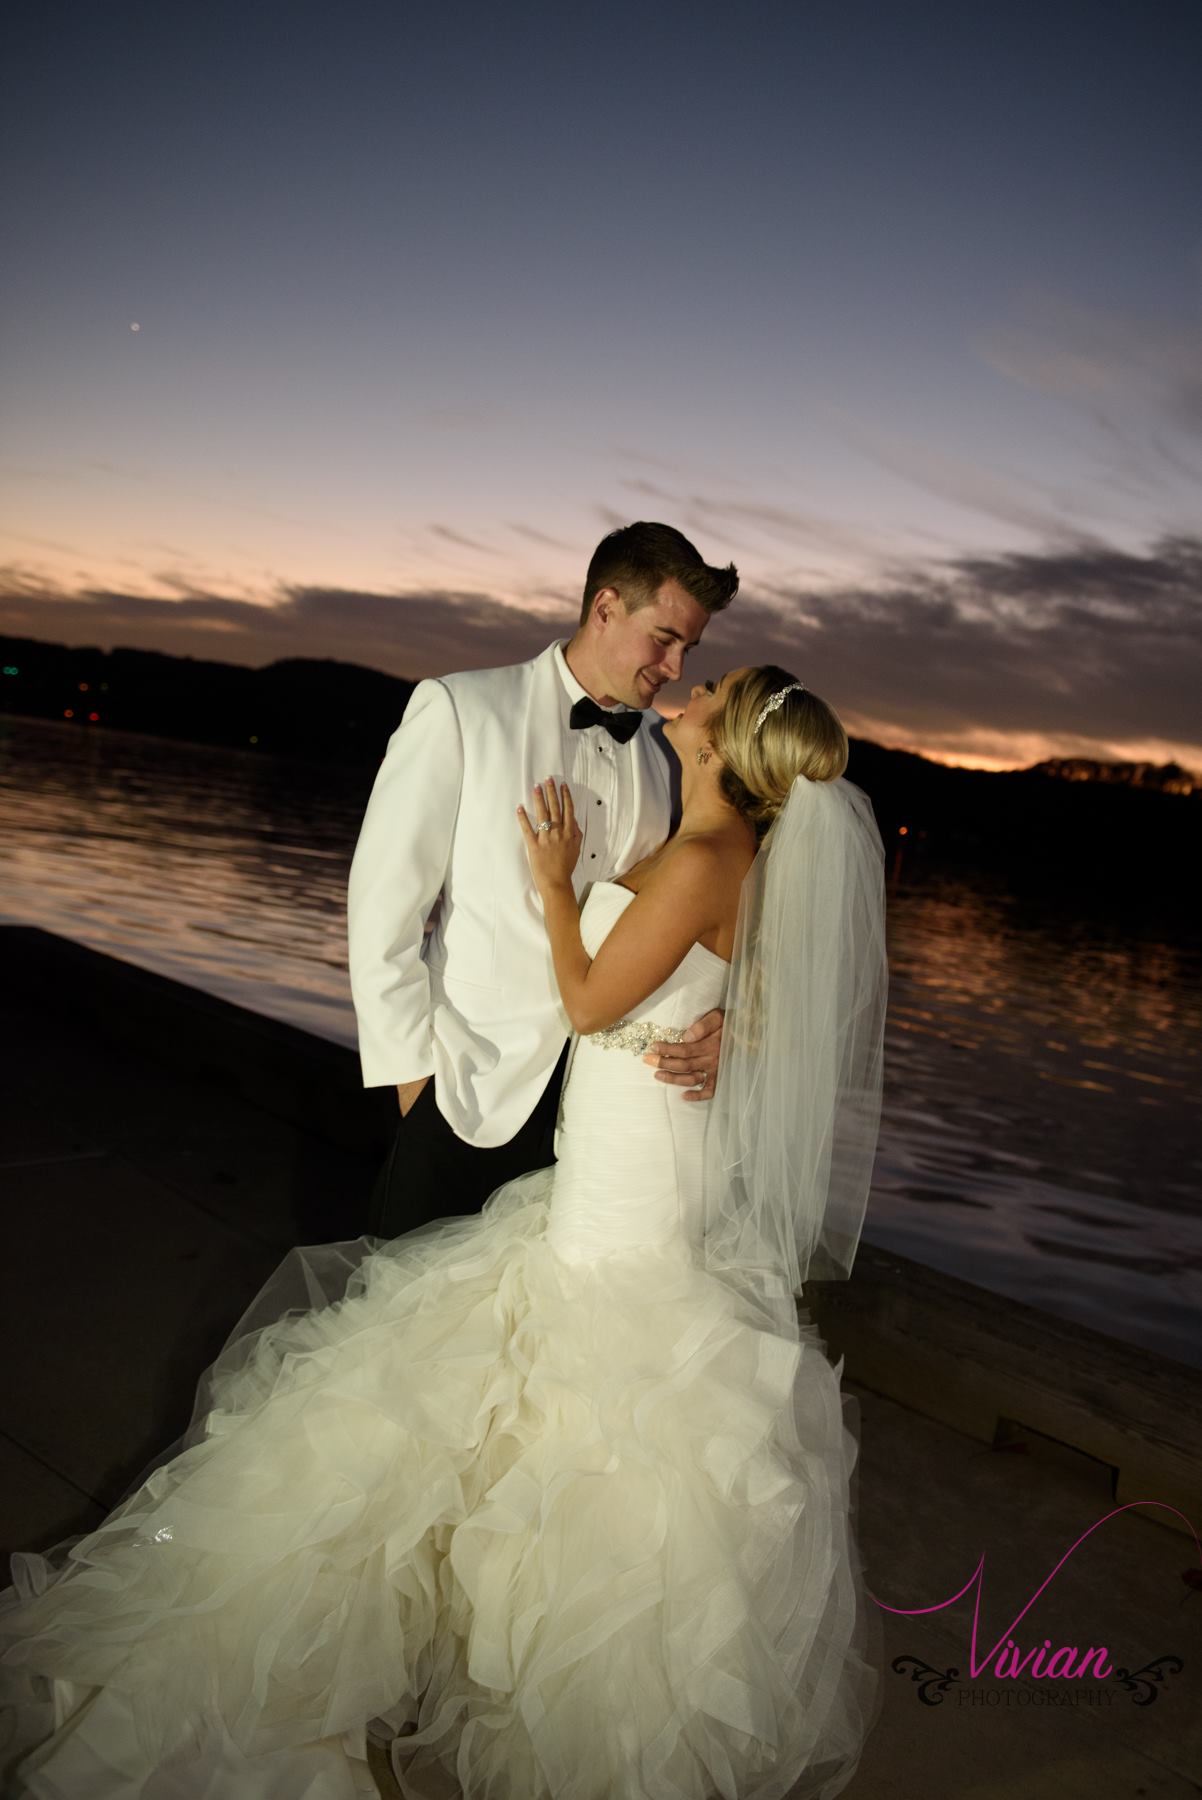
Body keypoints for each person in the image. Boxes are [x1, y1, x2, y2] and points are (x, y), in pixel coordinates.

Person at [0, 665, 888, 1800]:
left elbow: (584, 1001)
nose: (689, 682)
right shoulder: (724, 846)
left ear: (724, 741)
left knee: (591, 1400)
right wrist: (729, 1026)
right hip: (624, 1150)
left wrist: (558, 885)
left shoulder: (713, 852)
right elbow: (762, 980)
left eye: (708, 684)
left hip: (632, 1184)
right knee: (532, 1389)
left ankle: (579, 1707)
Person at [348, 520, 740, 1240]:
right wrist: (415, 1089)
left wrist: (728, 1026)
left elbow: (702, 922)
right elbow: (384, 915)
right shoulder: (462, 710)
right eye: (665, 638)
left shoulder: (672, 758)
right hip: (466, 1096)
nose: (678, 667)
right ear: (605, 608)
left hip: (596, 1125)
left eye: (691, 649)